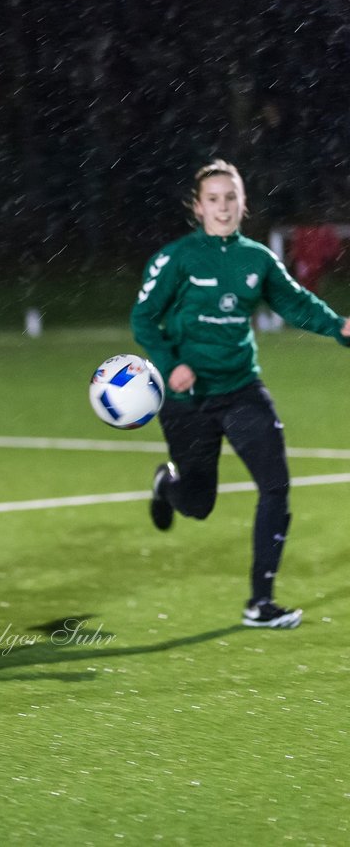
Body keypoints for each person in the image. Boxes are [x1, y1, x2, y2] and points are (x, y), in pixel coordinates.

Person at [132, 159, 350, 629]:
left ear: (243, 203)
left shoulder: (257, 259)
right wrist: (173, 366)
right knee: (198, 504)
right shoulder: (178, 258)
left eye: (231, 197)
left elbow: (294, 302)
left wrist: (338, 327)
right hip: (187, 400)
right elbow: (143, 319)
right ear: (198, 207)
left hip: (241, 389)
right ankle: (166, 487)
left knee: (276, 486)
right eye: (214, 199)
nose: (224, 206)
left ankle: (260, 603)